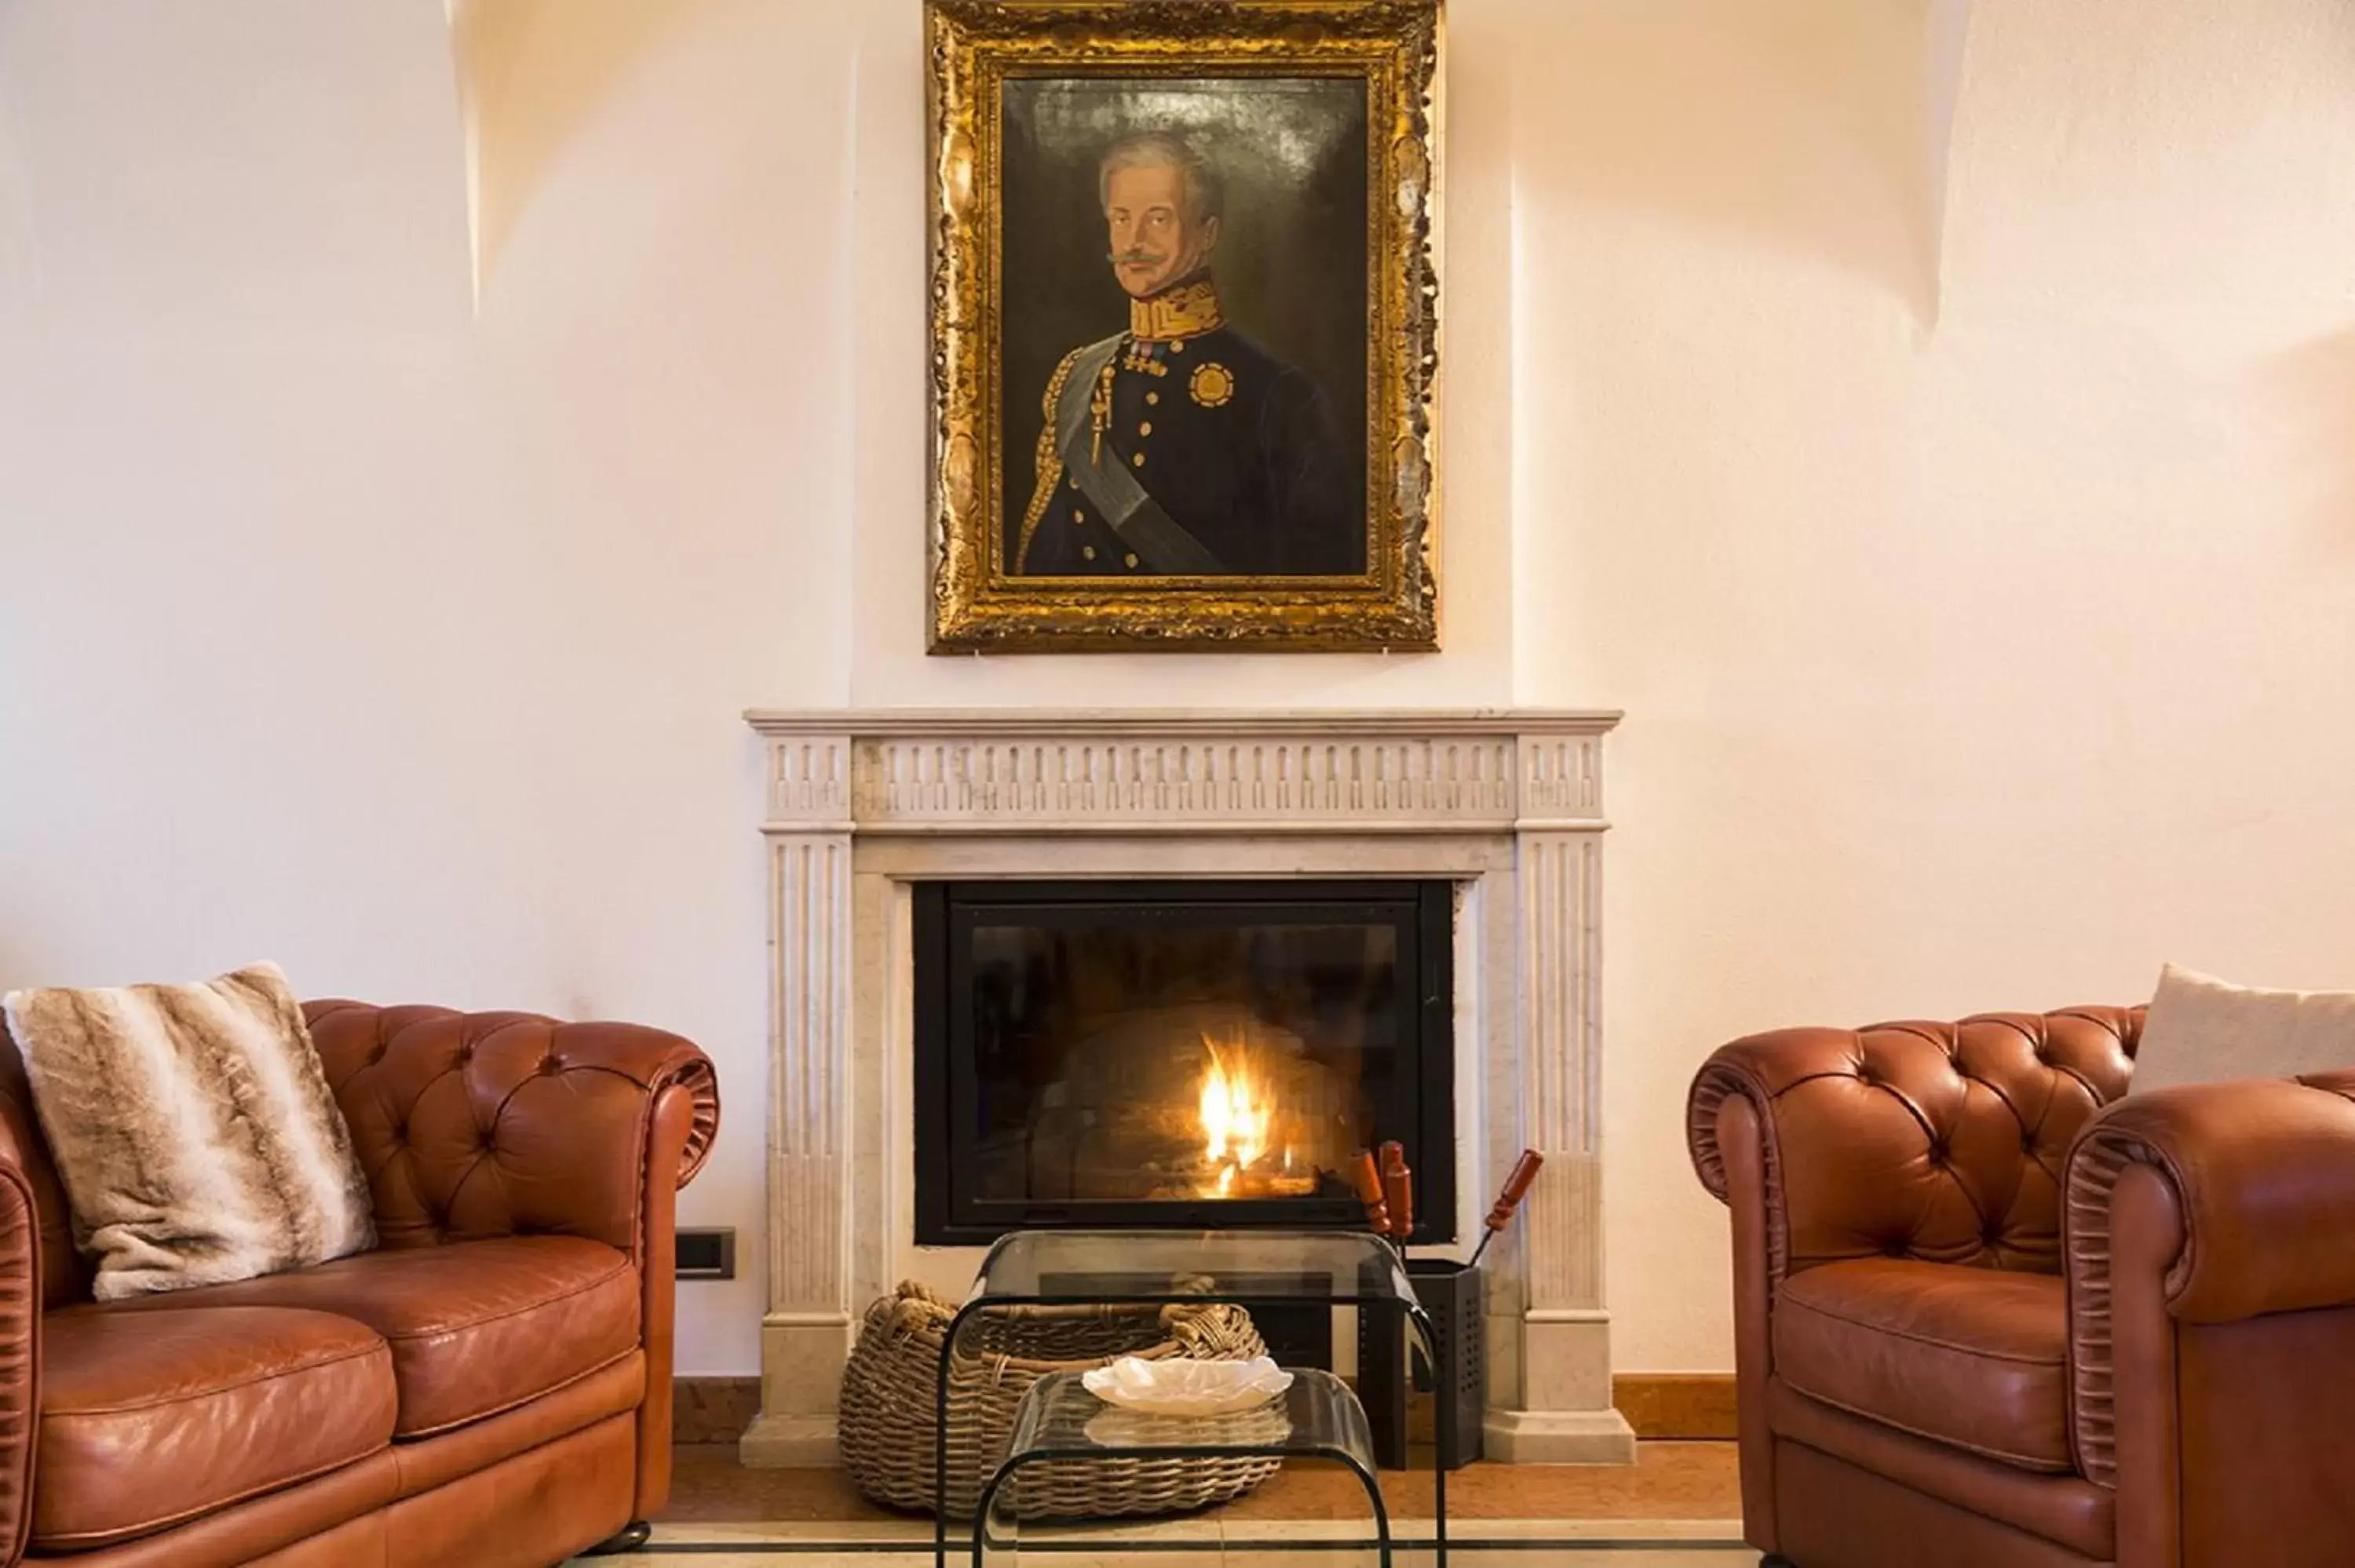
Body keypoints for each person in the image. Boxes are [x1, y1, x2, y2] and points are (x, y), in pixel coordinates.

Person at [1016, 131, 1360, 578]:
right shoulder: (1078, 375)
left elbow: (1317, 576)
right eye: (1120, 218)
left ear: (1207, 232)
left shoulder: (1278, 395)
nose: (1133, 240)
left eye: (1158, 219)